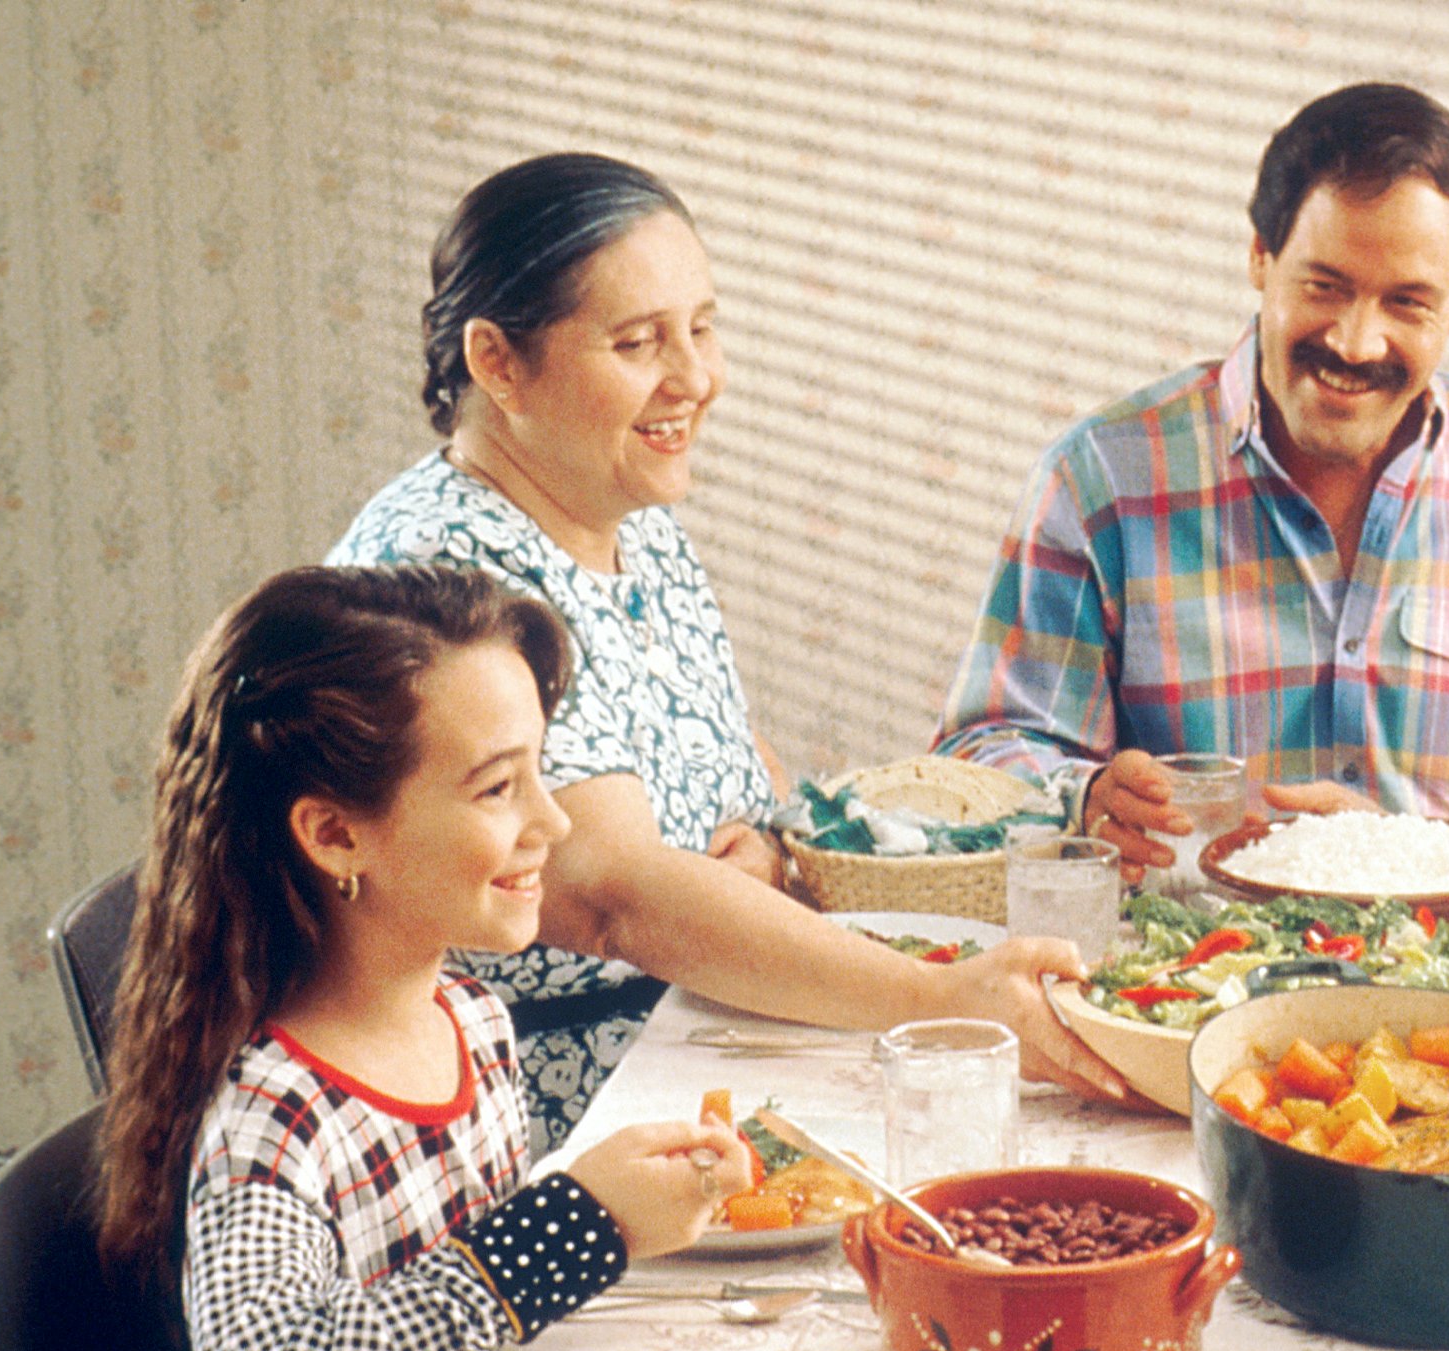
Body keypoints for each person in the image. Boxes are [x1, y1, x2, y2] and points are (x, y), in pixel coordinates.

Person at [95, 565, 755, 1351]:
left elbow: (473, 1313)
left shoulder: (465, 1014)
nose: (552, 825)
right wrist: (573, 1228)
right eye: (499, 788)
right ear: (336, 834)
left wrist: (624, 1209)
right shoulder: (274, 1121)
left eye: (540, 772)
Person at [332, 152, 1115, 1149]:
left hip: (693, 1037)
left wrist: (771, 847)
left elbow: (733, 772)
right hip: (529, 1115)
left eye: (701, 328)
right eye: (637, 343)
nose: (696, 379)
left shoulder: (624, 512)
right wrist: (943, 996)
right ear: (497, 363)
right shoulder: (446, 579)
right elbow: (615, 897)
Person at [932, 82, 1449, 874]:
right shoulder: (1101, 483)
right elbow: (980, 756)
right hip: (1185, 992)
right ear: (1261, 258)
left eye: (1406, 303)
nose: (1355, 341)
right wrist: (1082, 799)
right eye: (1325, 285)